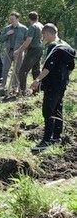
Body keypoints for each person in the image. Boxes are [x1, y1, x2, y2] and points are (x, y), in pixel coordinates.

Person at [30, 24, 75, 152]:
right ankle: (56, 137)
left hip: (52, 84)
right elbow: (71, 66)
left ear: (48, 33)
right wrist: (64, 77)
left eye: (43, 35)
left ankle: (46, 140)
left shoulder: (53, 47)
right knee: (58, 108)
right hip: (62, 83)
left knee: (48, 111)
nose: (43, 38)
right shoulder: (66, 46)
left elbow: (48, 67)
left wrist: (37, 80)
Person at [15, 11, 44, 94]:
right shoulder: (41, 25)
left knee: (22, 71)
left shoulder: (33, 27)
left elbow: (28, 41)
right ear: (37, 17)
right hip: (40, 49)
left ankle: (22, 91)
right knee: (36, 70)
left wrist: (19, 50)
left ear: (29, 19)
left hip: (33, 50)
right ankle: (37, 91)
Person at [0, 12, 27, 95]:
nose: (11, 20)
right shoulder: (7, 28)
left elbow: (27, 41)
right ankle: (2, 86)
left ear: (17, 19)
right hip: (8, 51)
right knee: (5, 68)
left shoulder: (24, 29)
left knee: (17, 70)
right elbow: (1, 39)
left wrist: (21, 50)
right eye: (10, 19)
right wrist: (7, 34)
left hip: (19, 52)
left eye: (13, 19)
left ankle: (14, 87)